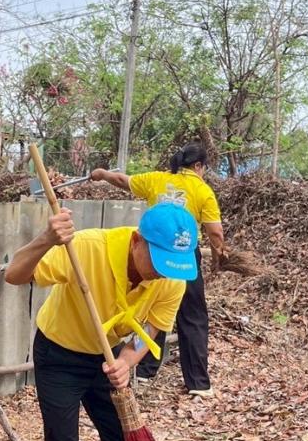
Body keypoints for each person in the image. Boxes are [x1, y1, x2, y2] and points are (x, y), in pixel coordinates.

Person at [4, 202, 197, 441]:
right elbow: (13, 274)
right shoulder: (87, 249)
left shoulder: (172, 276)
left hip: (106, 357)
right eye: (157, 260)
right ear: (137, 241)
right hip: (59, 354)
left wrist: (128, 360)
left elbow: (155, 326)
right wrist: (46, 239)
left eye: (171, 265)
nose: (162, 272)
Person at [90, 143, 227, 397]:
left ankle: (144, 371)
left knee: (154, 309)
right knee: (192, 316)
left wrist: (102, 174)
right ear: (198, 166)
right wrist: (221, 253)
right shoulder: (201, 189)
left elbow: (122, 179)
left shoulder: (156, 179)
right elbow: (215, 230)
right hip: (184, 254)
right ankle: (198, 383)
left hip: (151, 253)